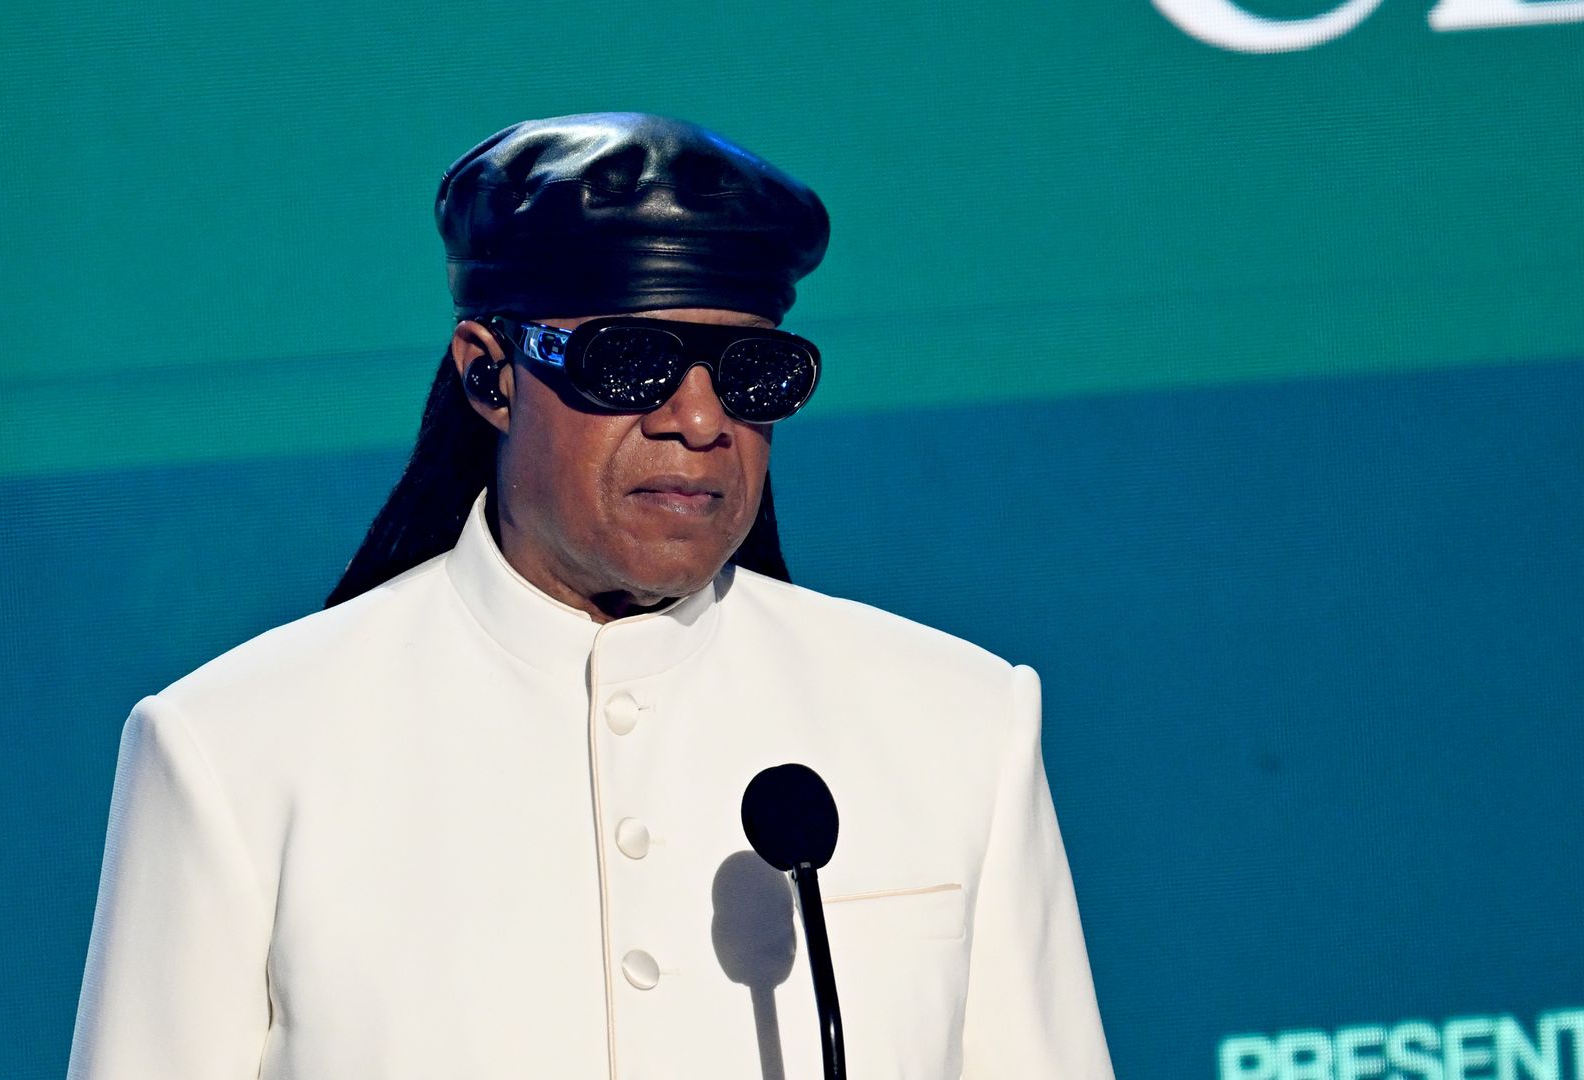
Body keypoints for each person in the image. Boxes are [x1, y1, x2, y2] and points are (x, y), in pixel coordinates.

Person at [66, 112, 1115, 1079]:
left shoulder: (956, 723)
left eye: (751, 374)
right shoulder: (237, 747)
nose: (700, 423)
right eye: (634, 362)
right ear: (491, 375)